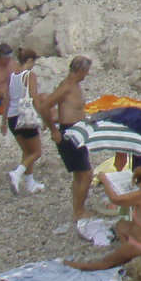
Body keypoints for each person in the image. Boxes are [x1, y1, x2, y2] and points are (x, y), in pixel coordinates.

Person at [63, 163, 141, 271]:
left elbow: (115, 199)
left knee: (104, 263)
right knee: (120, 225)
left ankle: (128, 253)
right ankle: (126, 249)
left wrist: (104, 180)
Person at [41, 56, 96, 224]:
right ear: (79, 70)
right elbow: (45, 106)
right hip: (69, 133)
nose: (87, 75)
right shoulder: (66, 87)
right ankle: (79, 211)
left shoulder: (74, 85)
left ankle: (78, 208)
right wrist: (53, 130)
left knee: (79, 175)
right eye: (86, 71)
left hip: (78, 132)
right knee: (86, 174)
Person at [4, 48, 46, 195]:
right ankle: (16, 174)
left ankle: (30, 183)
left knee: (27, 152)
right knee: (36, 152)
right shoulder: (29, 75)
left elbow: (7, 99)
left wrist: (3, 123)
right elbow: (35, 98)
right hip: (25, 116)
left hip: (12, 117)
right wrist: (44, 118)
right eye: (34, 61)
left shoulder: (12, 76)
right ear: (29, 61)